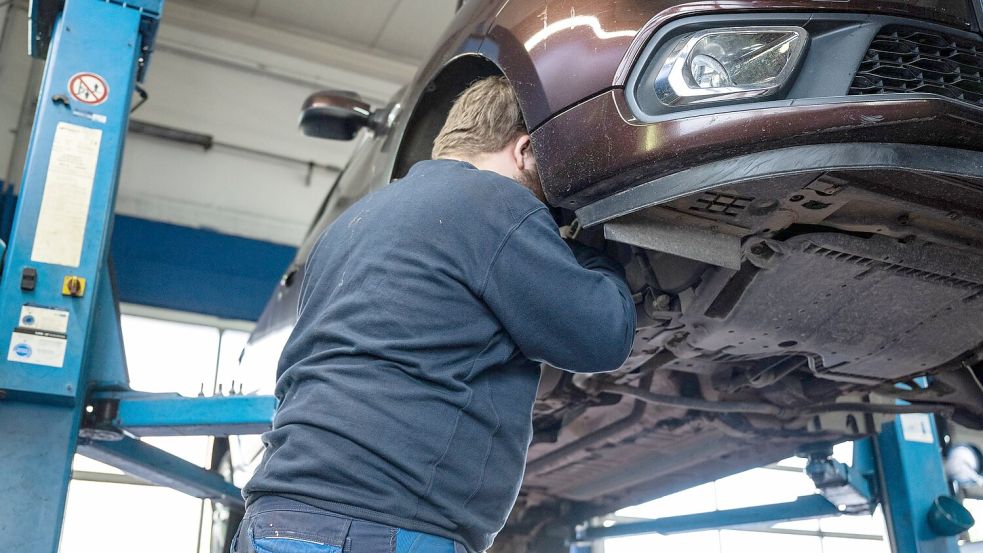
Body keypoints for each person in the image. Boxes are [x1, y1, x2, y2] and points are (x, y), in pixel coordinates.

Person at [235, 76, 636, 553]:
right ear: (526, 150)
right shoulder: (495, 202)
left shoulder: (352, 224)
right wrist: (598, 252)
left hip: (277, 517)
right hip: (379, 526)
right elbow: (600, 336)